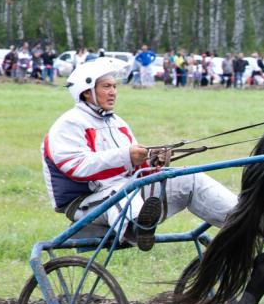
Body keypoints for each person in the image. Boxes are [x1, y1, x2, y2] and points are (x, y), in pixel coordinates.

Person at [42, 58, 237, 251]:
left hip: (126, 190)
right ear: (86, 92)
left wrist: (152, 159)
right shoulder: (69, 124)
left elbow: (134, 166)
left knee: (189, 177)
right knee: (122, 190)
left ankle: (241, 218)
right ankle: (136, 227)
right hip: (84, 202)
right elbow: (76, 166)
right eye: (106, 87)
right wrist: (127, 156)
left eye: (114, 87)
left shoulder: (117, 122)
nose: (113, 93)